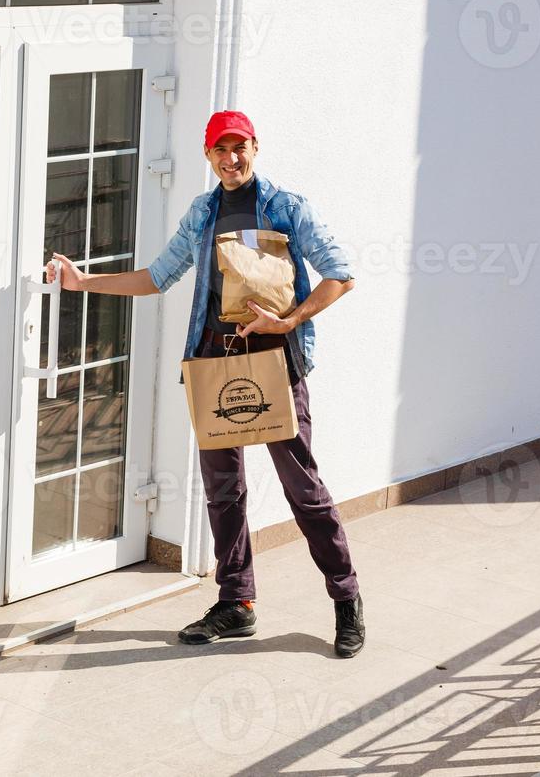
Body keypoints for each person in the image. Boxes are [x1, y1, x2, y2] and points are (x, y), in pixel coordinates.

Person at [46, 109, 365, 658]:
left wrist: (288, 321)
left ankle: (346, 598)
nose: (231, 158)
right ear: (208, 155)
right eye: (221, 149)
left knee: (303, 488)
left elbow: (342, 273)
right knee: (223, 491)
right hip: (215, 363)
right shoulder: (204, 211)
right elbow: (157, 276)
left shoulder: (287, 207)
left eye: (239, 147)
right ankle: (236, 603)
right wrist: (82, 282)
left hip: (274, 363)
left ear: (255, 147)